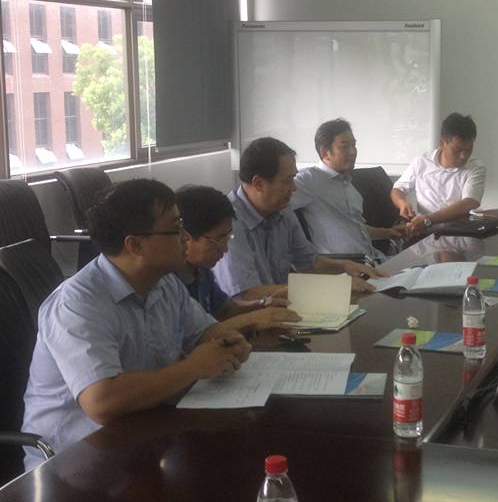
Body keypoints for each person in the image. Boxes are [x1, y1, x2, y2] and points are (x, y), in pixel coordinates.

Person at [22, 179, 252, 468]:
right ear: (135, 245)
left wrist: (229, 341)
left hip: (144, 441)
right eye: (175, 228)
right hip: (74, 463)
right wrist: (194, 366)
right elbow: (102, 403)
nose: (185, 236)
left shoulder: (165, 283)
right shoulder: (78, 305)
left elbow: (205, 332)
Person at [212, 136, 383, 295]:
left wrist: (345, 267)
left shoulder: (282, 210)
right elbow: (246, 294)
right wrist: (333, 286)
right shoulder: (229, 222)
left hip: (283, 307)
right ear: (258, 184)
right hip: (253, 314)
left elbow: (309, 263)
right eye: (288, 180)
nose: (294, 188)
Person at [175, 185, 300, 331]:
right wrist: (253, 319)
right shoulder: (169, 282)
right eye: (219, 240)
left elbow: (225, 310)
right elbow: (196, 337)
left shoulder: (201, 270)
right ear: (185, 236)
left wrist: (264, 304)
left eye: (228, 237)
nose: (225, 249)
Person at [290, 118, 405, 257]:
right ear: (325, 153)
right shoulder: (309, 179)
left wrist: (389, 233)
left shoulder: (347, 183)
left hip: (374, 259)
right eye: (344, 146)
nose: (353, 152)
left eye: (353, 145)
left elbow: (356, 229)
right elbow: (275, 202)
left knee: (424, 265)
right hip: (346, 265)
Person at [391, 112, 486, 236]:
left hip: (459, 234)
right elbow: (397, 189)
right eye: (457, 150)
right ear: (442, 143)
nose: (463, 156)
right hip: (424, 233)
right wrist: (402, 204)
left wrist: (428, 219)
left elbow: (469, 202)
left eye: (468, 150)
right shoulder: (421, 162)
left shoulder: (476, 168)